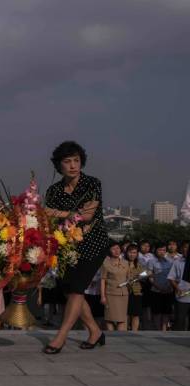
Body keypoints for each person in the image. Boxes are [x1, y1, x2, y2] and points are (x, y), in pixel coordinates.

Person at [43, 141, 109, 354]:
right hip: (66, 246)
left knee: (77, 288)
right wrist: (69, 215)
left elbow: (88, 215)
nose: (73, 165)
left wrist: (59, 213)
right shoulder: (53, 190)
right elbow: (47, 216)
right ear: (59, 165)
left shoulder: (92, 183)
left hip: (93, 243)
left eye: (76, 161)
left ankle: (61, 336)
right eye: (67, 161)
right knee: (69, 289)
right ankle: (95, 332)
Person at [101, 242, 129, 331]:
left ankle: (122, 339)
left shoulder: (126, 263)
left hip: (123, 295)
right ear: (109, 251)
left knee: (122, 319)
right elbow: (103, 280)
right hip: (111, 294)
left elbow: (128, 278)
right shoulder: (105, 264)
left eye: (118, 248)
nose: (116, 251)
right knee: (110, 318)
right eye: (113, 249)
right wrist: (103, 296)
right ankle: (111, 338)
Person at [148, 242, 175, 331]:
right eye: (160, 250)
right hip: (156, 290)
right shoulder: (151, 261)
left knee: (166, 312)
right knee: (156, 313)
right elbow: (150, 277)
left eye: (164, 250)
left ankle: (164, 331)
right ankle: (157, 331)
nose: (162, 252)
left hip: (168, 290)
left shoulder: (171, 261)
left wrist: (168, 287)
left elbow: (173, 276)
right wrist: (159, 287)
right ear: (155, 250)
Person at [168, 243, 190, 330]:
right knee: (180, 321)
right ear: (181, 249)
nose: (187, 249)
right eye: (185, 247)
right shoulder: (178, 262)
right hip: (182, 297)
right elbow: (171, 278)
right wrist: (178, 288)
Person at [125, 243, 146, 332]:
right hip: (125, 292)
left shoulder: (139, 265)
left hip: (137, 292)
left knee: (135, 314)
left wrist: (141, 277)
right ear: (126, 253)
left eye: (134, 253)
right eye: (130, 252)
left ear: (137, 254)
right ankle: (125, 331)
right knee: (125, 314)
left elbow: (144, 276)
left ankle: (134, 332)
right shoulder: (122, 263)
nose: (132, 254)